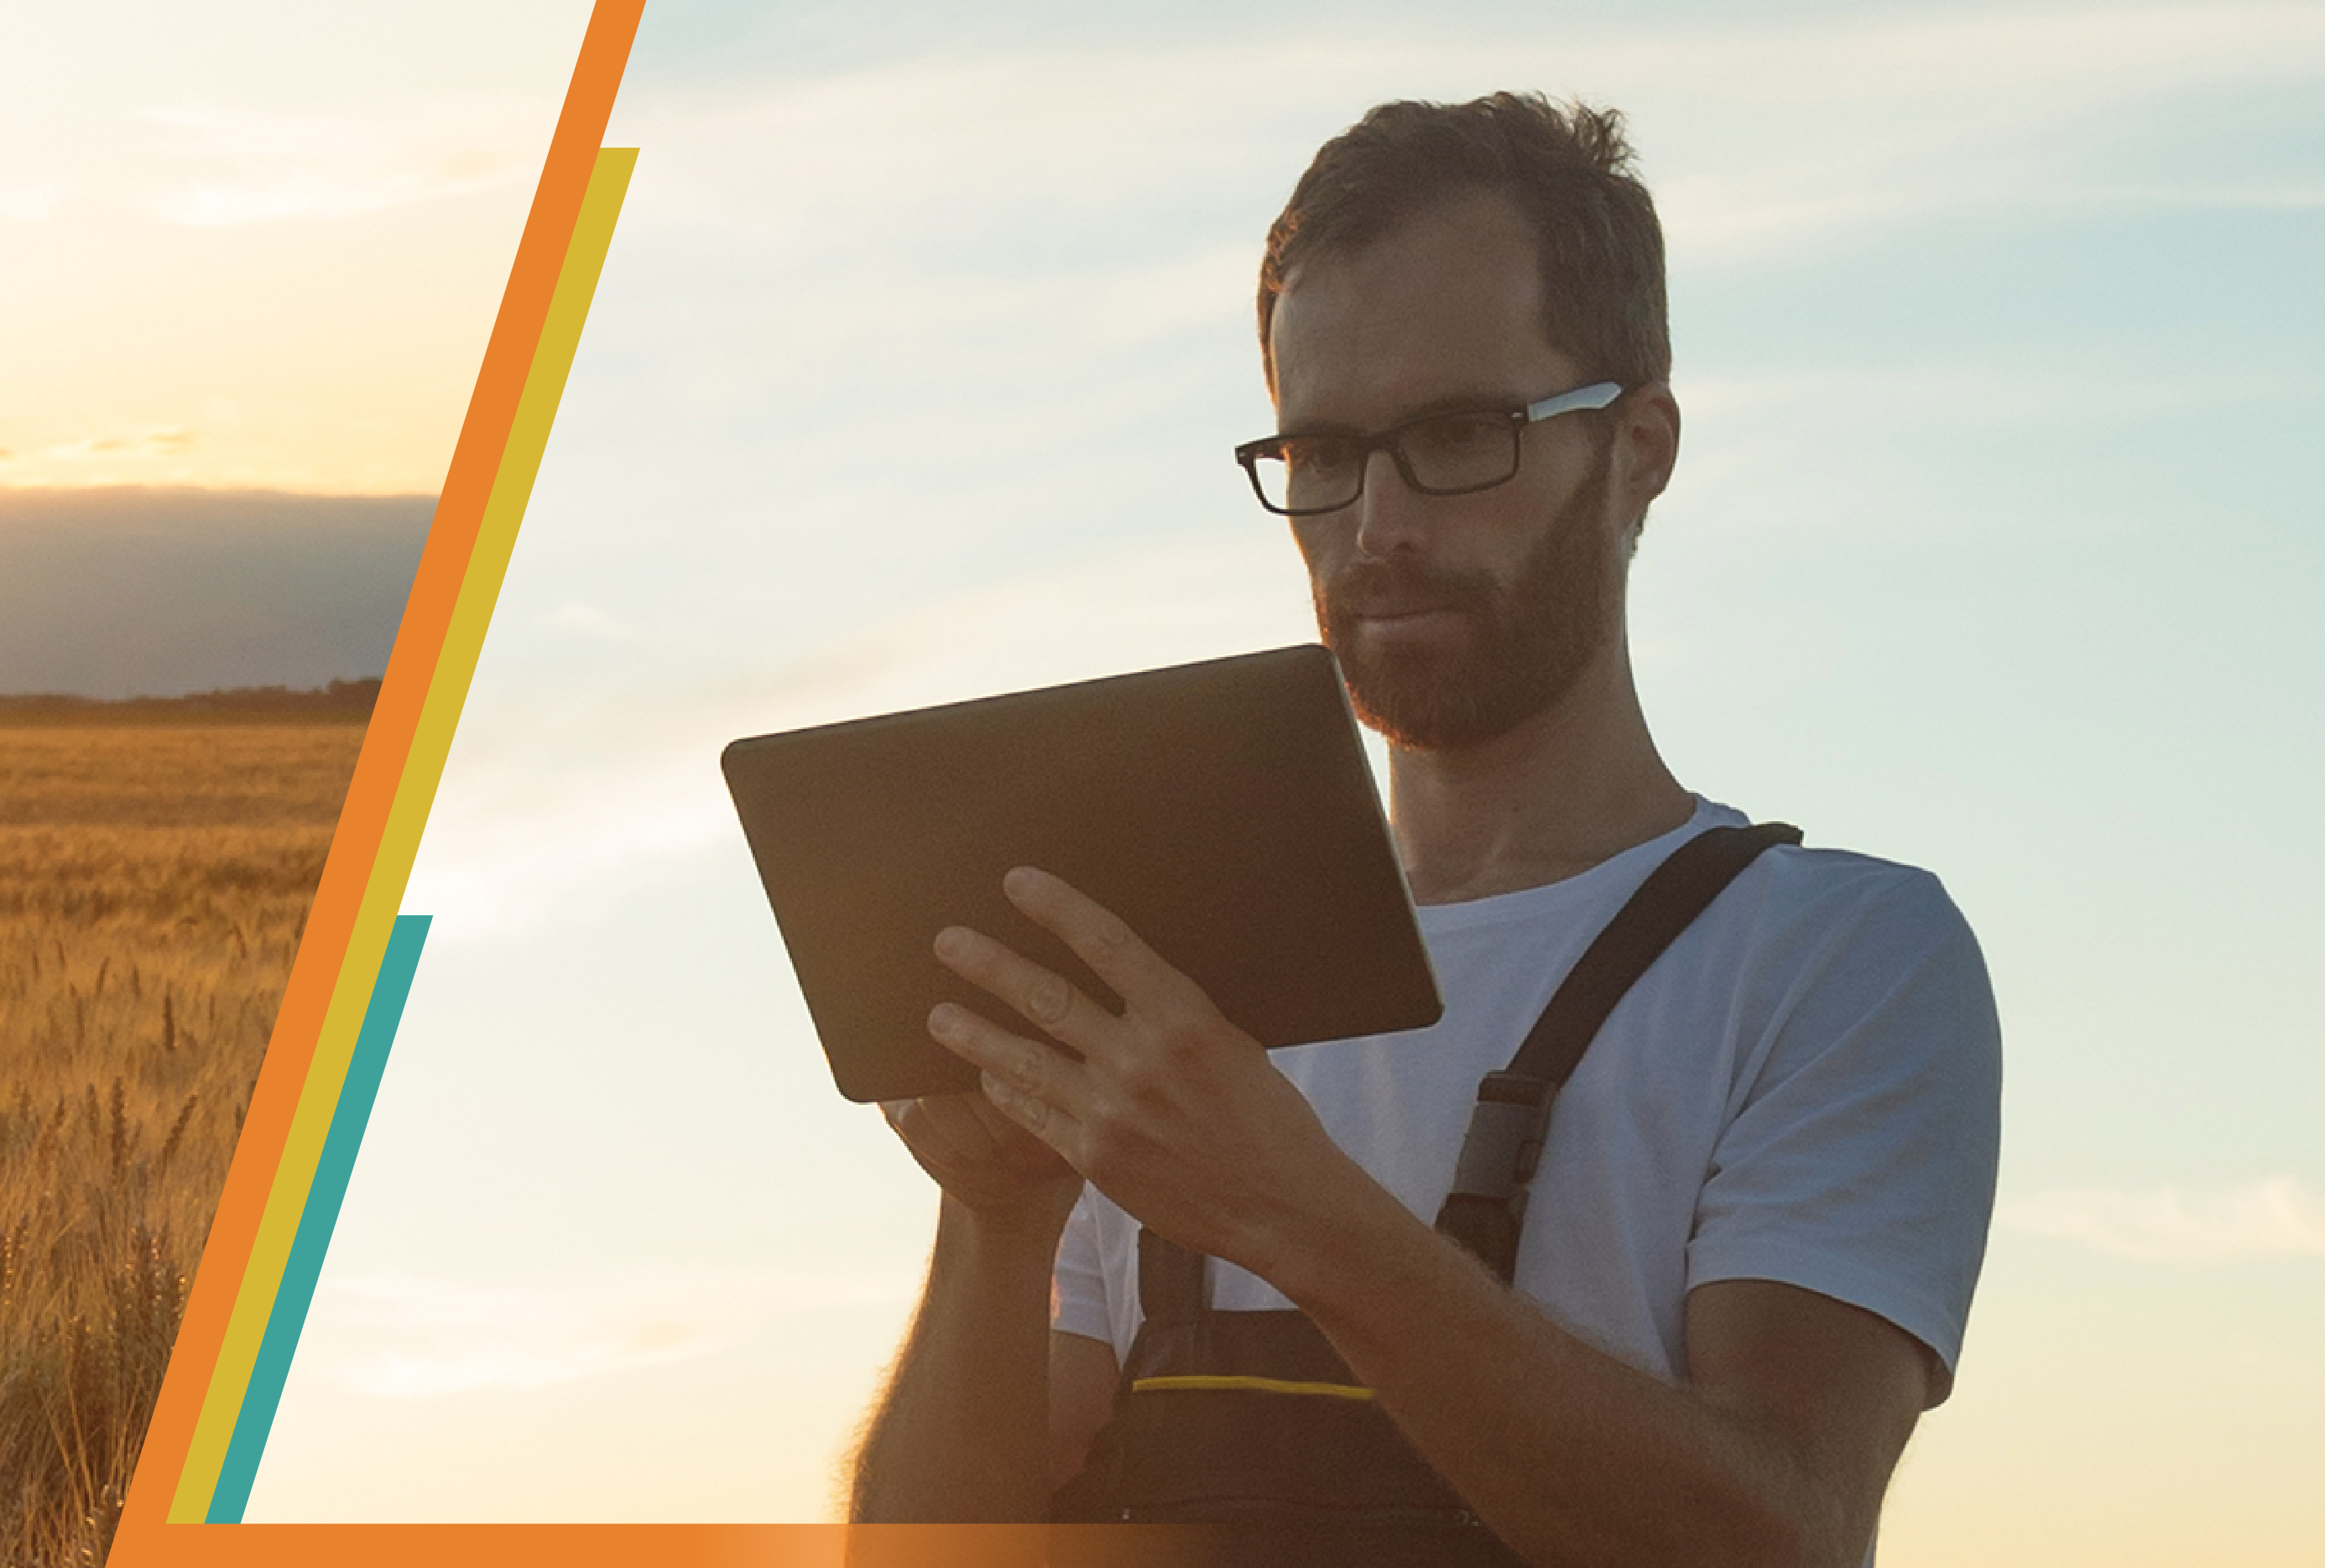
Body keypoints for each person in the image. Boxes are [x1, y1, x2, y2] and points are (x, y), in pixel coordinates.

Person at [838, 93, 2000, 1568]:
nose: (1377, 523)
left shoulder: (1828, 958)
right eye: (1320, 453)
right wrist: (994, 1227)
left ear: (1637, 447)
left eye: (1459, 433)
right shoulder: (1170, 971)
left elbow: (1783, 1535)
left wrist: (1294, 1212)